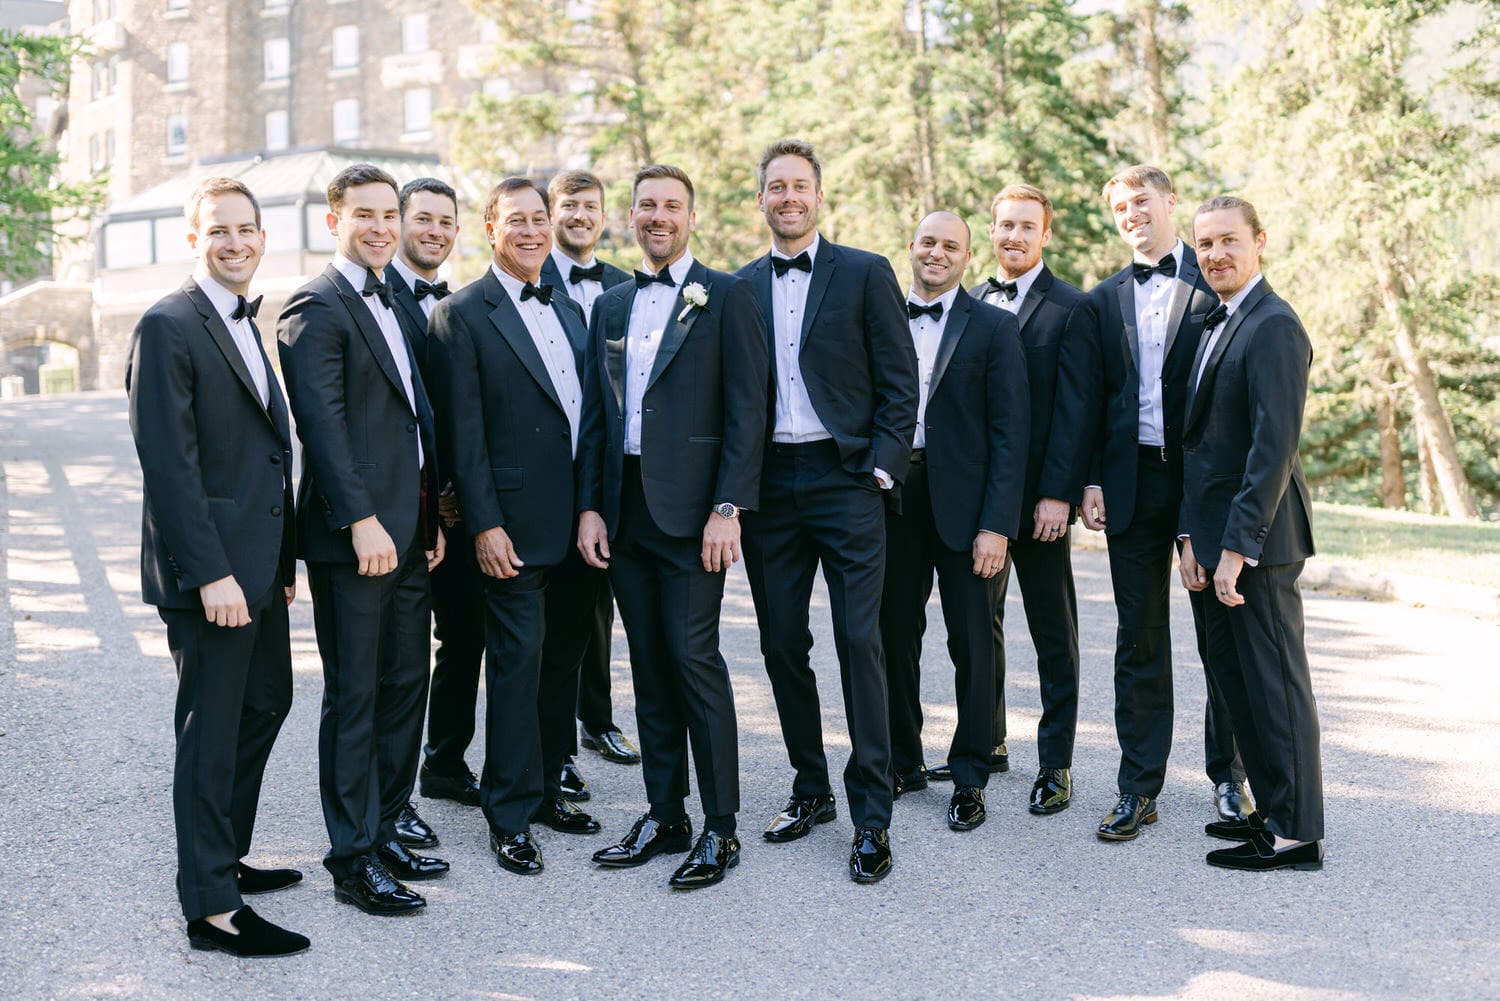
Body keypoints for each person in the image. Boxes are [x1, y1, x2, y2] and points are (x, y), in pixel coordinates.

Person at [127, 177, 307, 957]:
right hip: (214, 578)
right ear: (192, 239)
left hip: (261, 565)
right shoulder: (168, 325)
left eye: (246, 229)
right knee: (209, 732)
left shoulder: (243, 322)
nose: (235, 242)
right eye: (219, 231)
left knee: (268, 699)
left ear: (262, 235)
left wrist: (287, 553)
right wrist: (209, 575)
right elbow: (170, 467)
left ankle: (223, 856)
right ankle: (210, 909)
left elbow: (270, 452)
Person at [579, 164, 768, 889]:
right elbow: (601, 414)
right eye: (646, 205)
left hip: (695, 516)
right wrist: (593, 506)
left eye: (671, 205)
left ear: (691, 215)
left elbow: (747, 410)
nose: (658, 216)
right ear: (630, 216)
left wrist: (729, 506)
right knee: (649, 666)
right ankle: (666, 813)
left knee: (695, 660)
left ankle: (721, 828)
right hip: (625, 510)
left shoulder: (728, 296)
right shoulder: (614, 305)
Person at [736, 138, 919, 883]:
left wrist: (879, 466)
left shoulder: (867, 272)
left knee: (858, 641)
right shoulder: (739, 286)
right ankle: (810, 786)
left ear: (819, 195)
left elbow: (901, 381)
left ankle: (871, 815)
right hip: (771, 487)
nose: (788, 197)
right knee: (782, 645)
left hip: (847, 481)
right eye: (775, 187)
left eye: (799, 186)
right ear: (761, 201)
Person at [277, 163, 448, 914]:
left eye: (389, 214)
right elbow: (324, 425)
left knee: (408, 681)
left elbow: (414, 413)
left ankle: (383, 824)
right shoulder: (315, 305)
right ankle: (351, 859)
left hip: (411, 530)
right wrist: (362, 519)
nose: (380, 227)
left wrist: (430, 511)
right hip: (358, 537)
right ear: (333, 221)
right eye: (365, 215)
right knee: (356, 694)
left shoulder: (391, 299)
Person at [427, 177, 604, 876]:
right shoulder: (461, 313)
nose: (532, 230)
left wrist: (593, 505)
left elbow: (591, 421)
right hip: (509, 527)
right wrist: (484, 525)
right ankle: (507, 814)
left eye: (540, 218)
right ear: (491, 228)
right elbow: (461, 436)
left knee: (563, 662)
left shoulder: (569, 306)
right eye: (517, 220)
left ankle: (546, 789)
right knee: (514, 664)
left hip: (577, 528)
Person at [1078, 164, 1250, 842]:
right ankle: (1137, 785)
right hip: (1130, 486)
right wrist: (1091, 476)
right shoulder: (1103, 300)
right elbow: (1094, 401)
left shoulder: (1216, 283)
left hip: (1201, 484)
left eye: (1141, 201)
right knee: (1138, 637)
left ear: (1169, 203)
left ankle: (1229, 778)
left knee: (1219, 638)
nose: (1131, 214)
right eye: (1120, 206)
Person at [934, 184, 1095, 816]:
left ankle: (1055, 762)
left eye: (1027, 226)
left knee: (1053, 631)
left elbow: (1077, 409)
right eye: (1004, 226)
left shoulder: (1072, 309)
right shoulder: (967, 305)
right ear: (991, 233)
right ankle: (989, 738)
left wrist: (1058, 493)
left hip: (1043, 503)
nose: (1015, 237)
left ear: (1046, 234)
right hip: (981, 503)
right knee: (979, 628)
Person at [1178, 195, 1323, 872]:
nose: (1215, 255)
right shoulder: (1217, 320)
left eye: (1229, 241)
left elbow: (1273, 450)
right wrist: (1190, 537)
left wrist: (1237, 546)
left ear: (1259, 241)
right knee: (1237, 688)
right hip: (1209, 543)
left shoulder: (1274, 326)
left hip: (1255, 544)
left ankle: (1297, 830)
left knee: (1275, 688)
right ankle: (1270, 810)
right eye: (1204, 244)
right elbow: (1199, 445)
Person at [879, 211, 1029, 832]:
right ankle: (902, 759)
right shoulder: (879, 317)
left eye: (951, 246)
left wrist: (997, 524)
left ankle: (970, 773)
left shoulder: (994, 327)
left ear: (968, 258)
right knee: (891, 635)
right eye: (928, 243)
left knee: (971, 640)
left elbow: (1010, 432)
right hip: (891, 502)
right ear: (911, 248)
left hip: (969, 512)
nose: (937, 254)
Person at [381, 178, 484, 814]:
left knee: (465, 635)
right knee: (402, 657)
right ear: (398, 223)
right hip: (403, 510)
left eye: (447, 221)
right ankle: (391, 800)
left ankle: (444, 761)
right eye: (423, 219)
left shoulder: (458, 301)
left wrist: (458, 494)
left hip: (456, 507)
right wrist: (431, 499)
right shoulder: (374, 296)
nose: (436, 231)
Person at [539, 169, 642, 795]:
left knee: (598, 600)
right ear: (553, 213)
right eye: (569, 206)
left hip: (610, 465)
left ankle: (596, 719)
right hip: (550, 467)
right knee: (554, 614)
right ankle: (551, 747)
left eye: (591, 207)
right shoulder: (529, 279)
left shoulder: (628, 287)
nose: (580, 216)